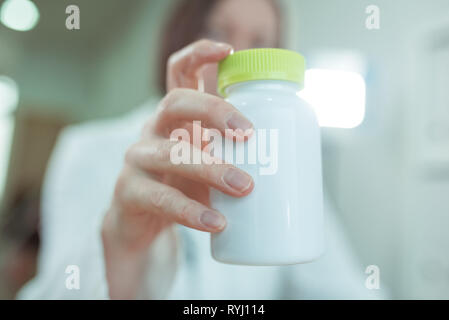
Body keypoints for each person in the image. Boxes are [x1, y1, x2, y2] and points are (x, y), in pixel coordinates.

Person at [18, 0, 388, 299]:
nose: (239, 55)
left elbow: (347, 289)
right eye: (217, 32)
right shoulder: (89, 149)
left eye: (260, 43)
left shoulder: (282, 161)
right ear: (180, 38)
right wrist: (122, 248)